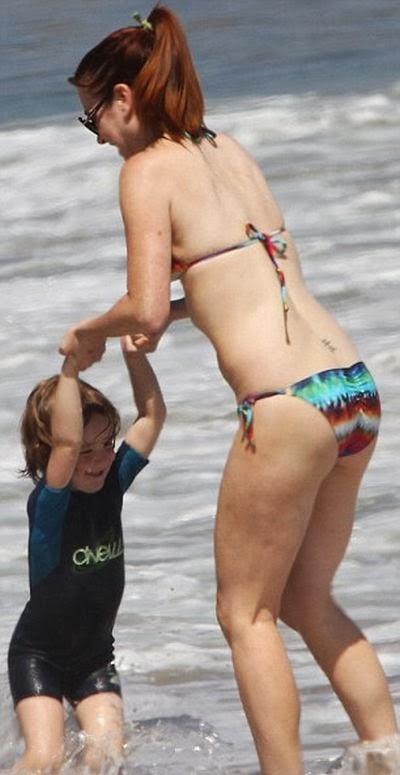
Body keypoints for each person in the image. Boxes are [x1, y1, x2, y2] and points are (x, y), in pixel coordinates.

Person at [60, 6, 398, 774]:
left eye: (92, 118)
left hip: (284, 406)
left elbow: (145, 307)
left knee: (245, 613)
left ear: (123, 98)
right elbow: (242, 278)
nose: (100, 137)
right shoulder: (226, 149)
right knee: (308, 598)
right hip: (351, 389)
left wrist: (91, 332)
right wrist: (167, 315)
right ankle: (389, 753)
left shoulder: (145, 172)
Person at [8, 335, 166, 773]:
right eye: (83, 450)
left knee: (106, 759)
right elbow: (65, 442)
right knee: (46, 758)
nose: (98, 460)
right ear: (50, 452)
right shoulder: (50, 504)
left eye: (106, 444)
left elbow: (152, 416)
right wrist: (71, 369)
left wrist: (134, 356)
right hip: (39, 657)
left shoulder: (112, 482)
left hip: (95, 660)